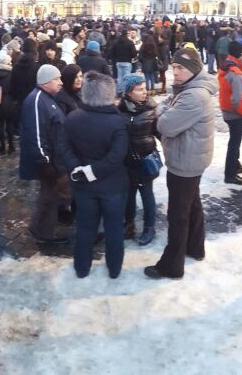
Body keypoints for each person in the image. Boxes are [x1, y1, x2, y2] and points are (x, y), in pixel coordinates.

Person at [145, 48, 217, 280]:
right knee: (192, 204)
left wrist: (164, 109)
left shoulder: (193, 95)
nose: (174, 72)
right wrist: (168, 106)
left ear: (193, 70)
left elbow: (165, 124)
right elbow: (168, 104)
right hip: (191, 156)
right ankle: (195, 247)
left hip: (185, 161)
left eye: (180, 68)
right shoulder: (188, 89)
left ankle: (171, 266)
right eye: (174, 67)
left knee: (178, 214)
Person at [63, 72, 129, 278]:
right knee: (114, 229)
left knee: (85, 228)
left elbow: (63, 148)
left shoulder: (72, 117)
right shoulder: (117, 122)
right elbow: (117, 155)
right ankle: (114, 269)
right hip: (113, 186)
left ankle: (82, 268)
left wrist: (79, 170)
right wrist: (92, 171)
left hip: (84, 187)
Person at [20, 64, 77, 244]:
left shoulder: (47, 97)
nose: (61, 83)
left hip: (56, 160)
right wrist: (44, 163)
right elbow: (35, 135)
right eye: (57, 79)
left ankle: (47, 225)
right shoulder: (37, 100)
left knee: (54, 194)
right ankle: (42, 232)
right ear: (46, 81)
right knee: (48, 196)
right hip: (48, 162)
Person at [119, 73, 159, 246]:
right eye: (139, 89)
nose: (145, 92)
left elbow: (160, 132)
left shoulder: (152, 108)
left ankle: (149, 227)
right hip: (126, 161)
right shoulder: (119, 109)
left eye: (145, 88)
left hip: (144, 159)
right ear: (128, 92)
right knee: (128, 195)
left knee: (147, 193)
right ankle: (129, 224)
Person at [219, 41, 242, 185]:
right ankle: (230, 174)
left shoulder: (227, 66)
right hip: (235, 113)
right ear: (239, 55)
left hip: (228, 109)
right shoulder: (235, 72)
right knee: (234, 143)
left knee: (235, 141)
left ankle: (235, 165)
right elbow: (237, 100)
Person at [0, 52, 16, 154]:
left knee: (0, 125)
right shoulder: (12, 74)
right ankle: (11, 146)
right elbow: (14, 88)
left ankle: (2, 147)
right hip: (9, 101)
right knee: (9, 125)